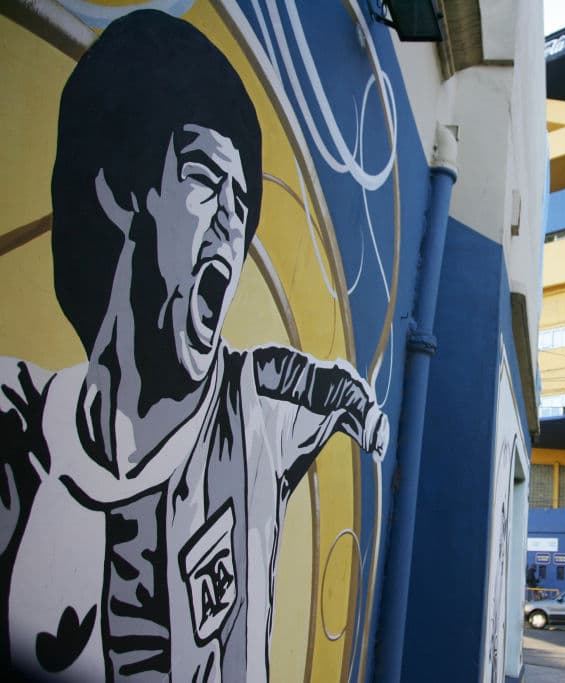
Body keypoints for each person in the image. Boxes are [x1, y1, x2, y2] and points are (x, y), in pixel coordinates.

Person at [0, 11, 388, 682]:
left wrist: (341, 394)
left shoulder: (257, 418)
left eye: (244, 204)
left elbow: (299, 384)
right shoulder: (21, 426)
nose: (232, 226)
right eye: (208, 179)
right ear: (123, 189)